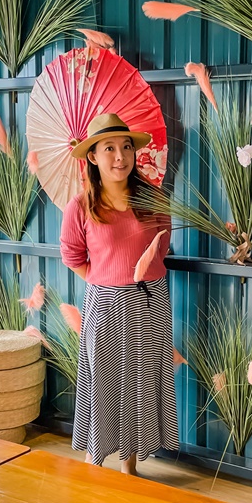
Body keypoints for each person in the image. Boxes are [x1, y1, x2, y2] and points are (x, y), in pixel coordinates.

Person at [59, 113, 177, 476]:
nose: (120, 156)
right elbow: (71, 254)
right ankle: (96, 457)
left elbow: (162, 245)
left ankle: (131, 464)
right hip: (106, 303)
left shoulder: (154, 198)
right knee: (105, 379)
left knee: (143, 378)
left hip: (150, 299)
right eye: (108, 148)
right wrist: (106, 278)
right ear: (92, 156)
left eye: (126, 147)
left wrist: (138, 277)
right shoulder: (80, 206)